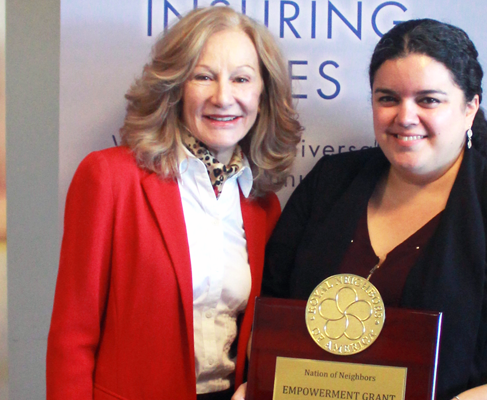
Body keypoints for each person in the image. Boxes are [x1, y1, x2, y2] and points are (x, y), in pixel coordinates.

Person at [262, 18, 487, 400]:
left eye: (428, 100)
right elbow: (271, 308)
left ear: (470, 108)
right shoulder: (329, 184)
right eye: (387, 98)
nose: (405, 116)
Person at [47, 6, 301, 400]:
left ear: (262, 94)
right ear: (176, 86)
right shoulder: (109, 178)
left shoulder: (262, 205)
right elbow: (72, 338)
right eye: (204, 76)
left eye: (241, 79)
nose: (224, 97)